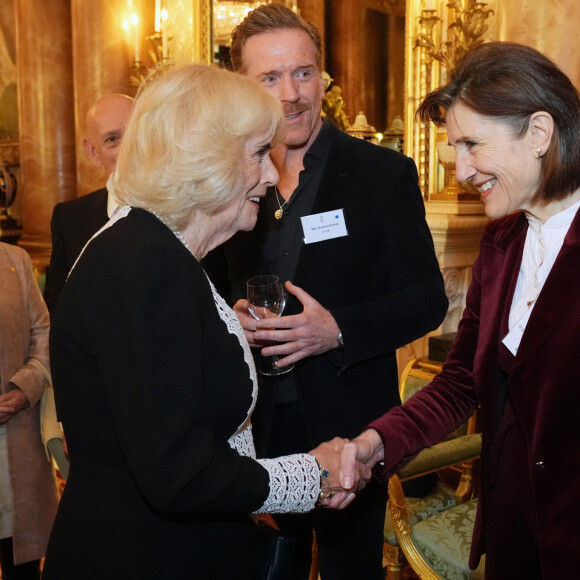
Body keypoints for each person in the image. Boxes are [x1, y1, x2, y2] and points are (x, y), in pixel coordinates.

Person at [41, 64, 366, 580]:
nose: (270, 174)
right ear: (204, 157)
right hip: (143, 556)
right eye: (259, 153)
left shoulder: (154, 250)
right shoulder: (145, 261)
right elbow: (180, 473)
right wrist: (311, 474)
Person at [204, 5, 448, 579]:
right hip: (251, 422)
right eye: (269, 78)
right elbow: (208, 286)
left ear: (323, 76)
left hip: (349, 423)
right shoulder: (228, 175)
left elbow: (427, 299)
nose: (290, 94)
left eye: (304, 73)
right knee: (262, 567)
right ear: (243, 84)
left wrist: (336, 329)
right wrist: (230, 316)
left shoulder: (382, 174)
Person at [339, 41, 580, 580]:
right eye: (456, 147)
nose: (463, 168)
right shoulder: (500, 243)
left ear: (539, 133)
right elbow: (460, 384)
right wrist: (372, 444)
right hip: (513, 537)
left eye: (473, 144)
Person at [44, 93, 134, 313]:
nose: (130, 147)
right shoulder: (69, 220)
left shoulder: (191, 208)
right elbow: (59, 312)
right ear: (93, 153)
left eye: (137, 132)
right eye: (113, 139)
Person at [0, 242, 59, 579]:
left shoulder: (16, 260)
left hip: (16, 436)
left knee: (21, 562)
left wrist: (26, 388)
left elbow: (43, 331)